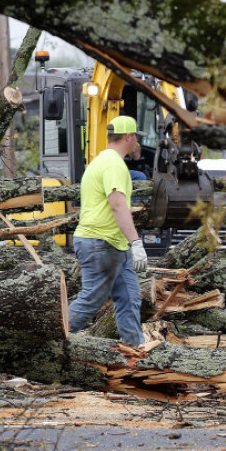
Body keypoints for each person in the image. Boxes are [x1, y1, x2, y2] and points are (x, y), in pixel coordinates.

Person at [67, 114, 147, 346]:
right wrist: (136, 241)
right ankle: (49, 345)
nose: (136, 143)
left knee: (130, 298)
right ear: (129, 137)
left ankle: (137, 354)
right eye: (135, 138)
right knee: (92, 298)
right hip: (100, 242)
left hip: (112, 245)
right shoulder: (113, 165)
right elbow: (117, 204)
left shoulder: (101, 161)